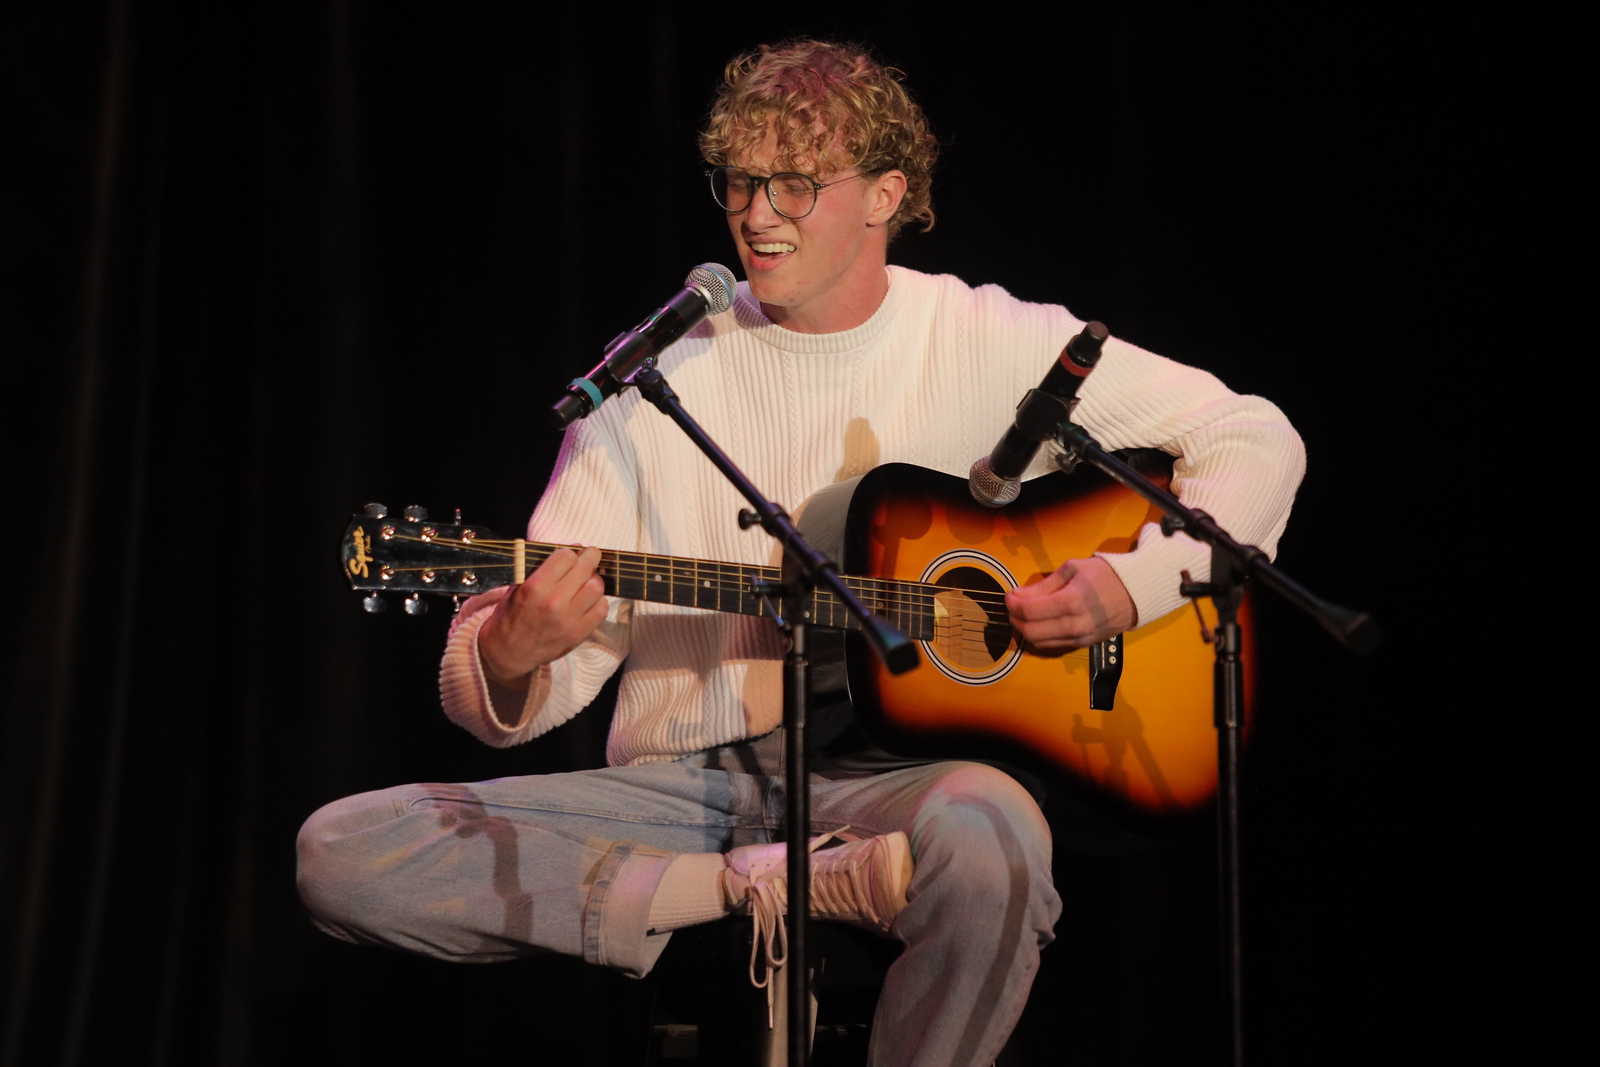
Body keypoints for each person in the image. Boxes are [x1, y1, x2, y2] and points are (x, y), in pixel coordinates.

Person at [297, 40, 1304, 1067]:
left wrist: (1122, 587)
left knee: (996, 829)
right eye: (736, 181)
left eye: (792, 182)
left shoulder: (987, 337)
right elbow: (517, 691)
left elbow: (1253, 436)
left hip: (905, 780)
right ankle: (760, 879)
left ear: (884, 194)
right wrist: (515, 647)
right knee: (342, 852)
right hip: (696, 787)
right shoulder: (651, 389)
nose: (755, 212)